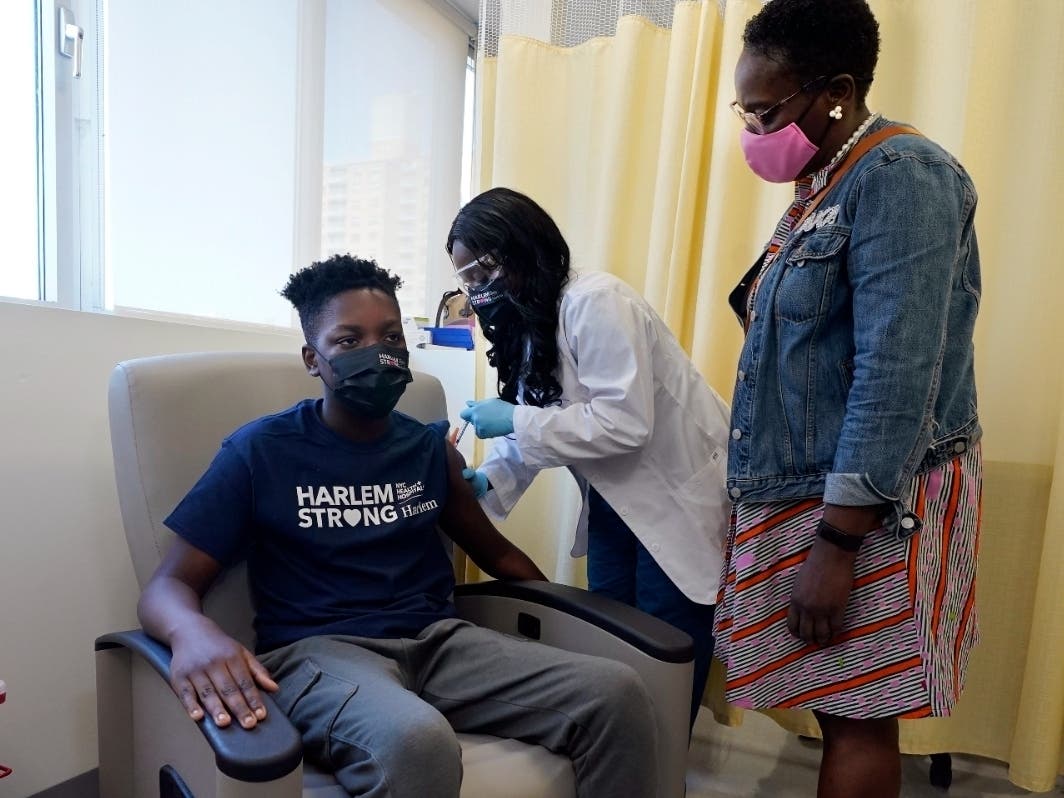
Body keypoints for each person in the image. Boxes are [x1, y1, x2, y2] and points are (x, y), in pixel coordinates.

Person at [137, 255, 658, 797]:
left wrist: (561, 614)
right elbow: (168, 585)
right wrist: (192, 633)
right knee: (415, 738)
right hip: (319, 654)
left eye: (389, 334)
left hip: (439, 644)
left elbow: (497, 556)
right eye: (348, 340)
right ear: (312, 359)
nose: (376, 352)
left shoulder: (426, 448)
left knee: (615, 693)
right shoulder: (259, 452)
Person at [714, 1, 983, 796]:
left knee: (859, 712)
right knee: (840, 705)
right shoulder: (825, 184)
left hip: (859, 506)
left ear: (834, 91)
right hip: (808, 490)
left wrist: (836, 543)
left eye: (767, 111)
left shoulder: (902, 178)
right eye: (747, 111)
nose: (755, 131)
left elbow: (896, 377)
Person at [449, 187, 732, 727]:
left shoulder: (596, 301)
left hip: (674, 499)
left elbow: (623, 422)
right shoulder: (535, 322)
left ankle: (662, 769)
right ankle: (622, 758)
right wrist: (488, 479)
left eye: (483, 274)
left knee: (664, 649)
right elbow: (540, 428)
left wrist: (513, 419)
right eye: (467, 282)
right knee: (611, 640)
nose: (478, 292)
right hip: (613, 503)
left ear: (521, 248)